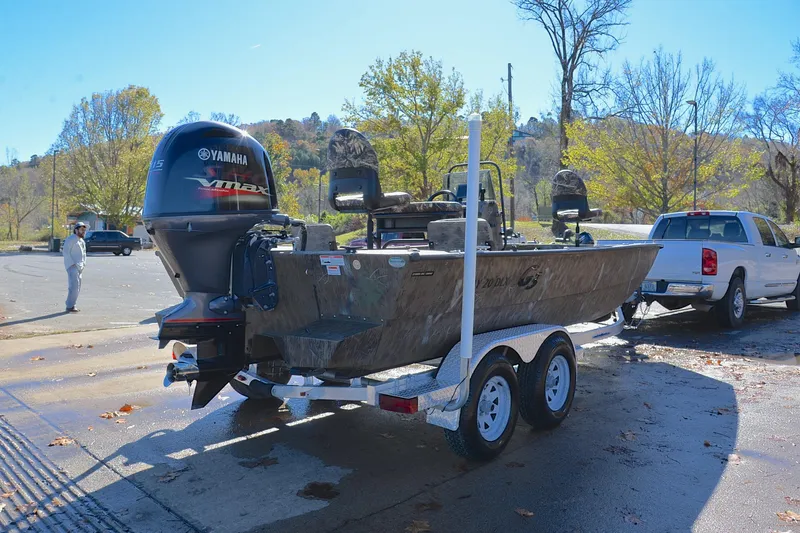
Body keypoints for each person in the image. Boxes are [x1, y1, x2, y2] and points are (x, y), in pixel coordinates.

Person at [63, 222, 87, 312]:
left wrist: (84, 264)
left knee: (77, 287)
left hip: (80, 267)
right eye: (81, 230)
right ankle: (70, 306)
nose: (83, 231)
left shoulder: (81, 241)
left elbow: (84, 254)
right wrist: (71, 264)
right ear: (76, 230)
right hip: (72, 266)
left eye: (84, 230)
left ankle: (72, 304)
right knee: (74, 287)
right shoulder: (71, 239)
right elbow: (66, 252)